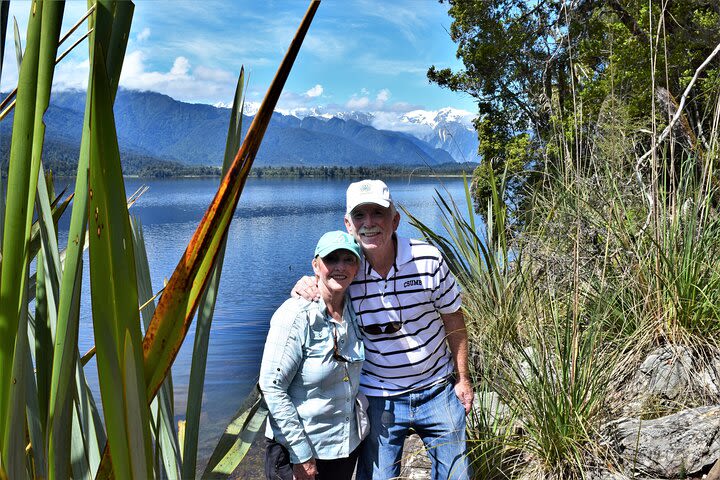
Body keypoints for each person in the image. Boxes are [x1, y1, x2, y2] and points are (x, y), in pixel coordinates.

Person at [293, 179, 474, 480]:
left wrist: (463, 379)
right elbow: (321, 282)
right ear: (348, 225)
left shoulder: (427, 260)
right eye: (360, 216)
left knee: (457, 476)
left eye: (378, 213)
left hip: (437, 389)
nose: (369, 223)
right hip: (380, 395)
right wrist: (303, 285)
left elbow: (454, 319)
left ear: (395, 220)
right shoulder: (348, 270)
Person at [260, 231, 367, 480]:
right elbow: (271, 387)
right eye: (331, 260)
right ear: (316, 265)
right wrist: (302, 456)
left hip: (342, 448)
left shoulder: (356, 308)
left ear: (357, 267)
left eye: (348, 259)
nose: (340, 267)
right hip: (296, 453)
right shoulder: (295, 316)